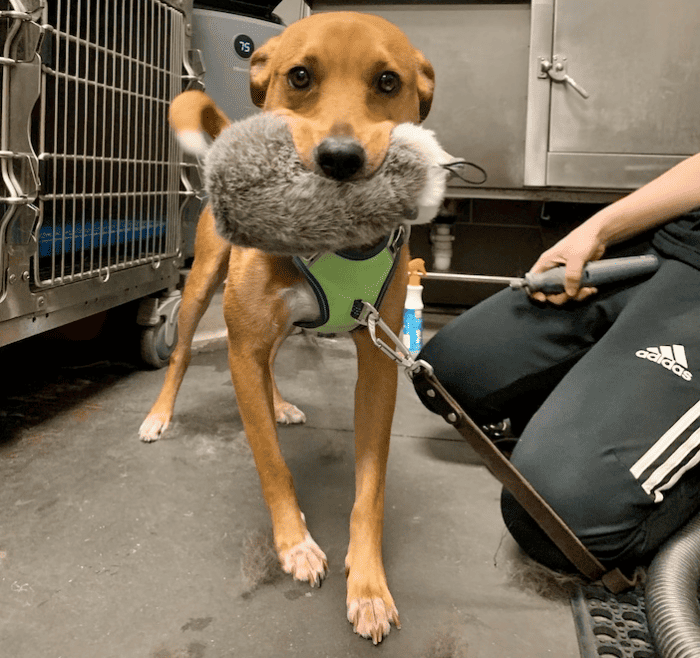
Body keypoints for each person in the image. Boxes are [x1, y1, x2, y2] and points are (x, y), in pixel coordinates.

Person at [417, 152, 700, 573]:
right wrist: (596, 231)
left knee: (554, 523)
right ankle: (606, 421)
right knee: (450, 375)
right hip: (674, 244)